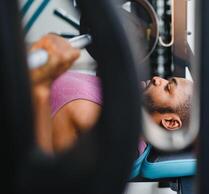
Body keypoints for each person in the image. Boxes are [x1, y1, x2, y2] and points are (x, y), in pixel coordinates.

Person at [30, 34, 193, 154]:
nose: (158, 79)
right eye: (167, 80)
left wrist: (41, 87)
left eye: (168, 88)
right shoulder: (120, 108)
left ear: (170, 122)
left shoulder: (109, 131)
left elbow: (46, 173)